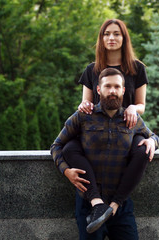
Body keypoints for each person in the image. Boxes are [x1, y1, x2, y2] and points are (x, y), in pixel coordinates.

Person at [62, 19, 151, 239]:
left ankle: (115, 203)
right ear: (101, 39)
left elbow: (141, 105)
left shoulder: (136, 68)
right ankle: (95, 202)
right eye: (106, 34)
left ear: (124, 38)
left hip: (128, 126)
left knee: (143, 150)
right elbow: (86, 104)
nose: (111, 38)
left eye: (116, 34)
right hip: (97, 128)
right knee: (71, 147)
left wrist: (133, 109)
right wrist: (84, 105)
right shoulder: (92, 70)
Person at [51, 68, 159, 239]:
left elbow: (153, 136)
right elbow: (57, 146)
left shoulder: (131, 119)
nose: (112, 91)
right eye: (108, 86)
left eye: (117, 87)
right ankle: (98, 205)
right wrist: (66, 171)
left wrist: (153, 141)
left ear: (123, 91)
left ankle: (112, 206)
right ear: (98, 89)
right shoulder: (83, 116)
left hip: (120, 205)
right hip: (88, 204)